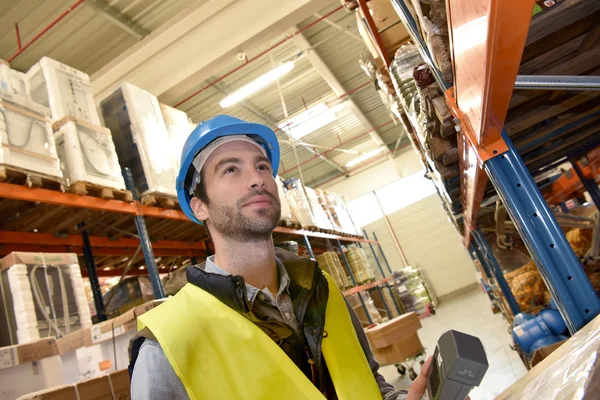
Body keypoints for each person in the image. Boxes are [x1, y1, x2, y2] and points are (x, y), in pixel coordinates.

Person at [128, 115, 432, 399]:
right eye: (231, 169)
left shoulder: (323, 290)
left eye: (261, 166)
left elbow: (368, 383)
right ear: (199, 206)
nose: (256, 179)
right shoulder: (166, 344)